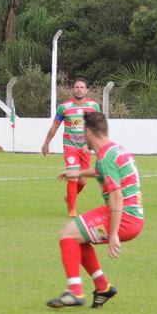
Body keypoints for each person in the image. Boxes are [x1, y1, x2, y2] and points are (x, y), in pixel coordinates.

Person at [46, 112, 144, 309]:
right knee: (78, 237)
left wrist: (114, 233)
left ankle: (74, 291)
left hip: (122, 216)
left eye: (84, 133)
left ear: (89, 132)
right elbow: (102, 170)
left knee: (67, 235)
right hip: (132, 216)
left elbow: (116, 195)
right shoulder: (115, 149)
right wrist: (79, 172)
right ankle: (103, 286)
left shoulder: (106, 156)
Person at [41, 78, 101, 217]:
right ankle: (72, 209)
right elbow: (55, 126)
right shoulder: (64, 107)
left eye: (82, 87)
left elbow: (97, 127)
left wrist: (90, 144)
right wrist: (46, 144)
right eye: (76, 87)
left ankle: (69, 198)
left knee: (83, 180)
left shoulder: (93, 106)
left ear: (86, 90)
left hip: (85, 148)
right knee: (73, 177)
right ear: (73, 89)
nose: (79, 89)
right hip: (70, 147)